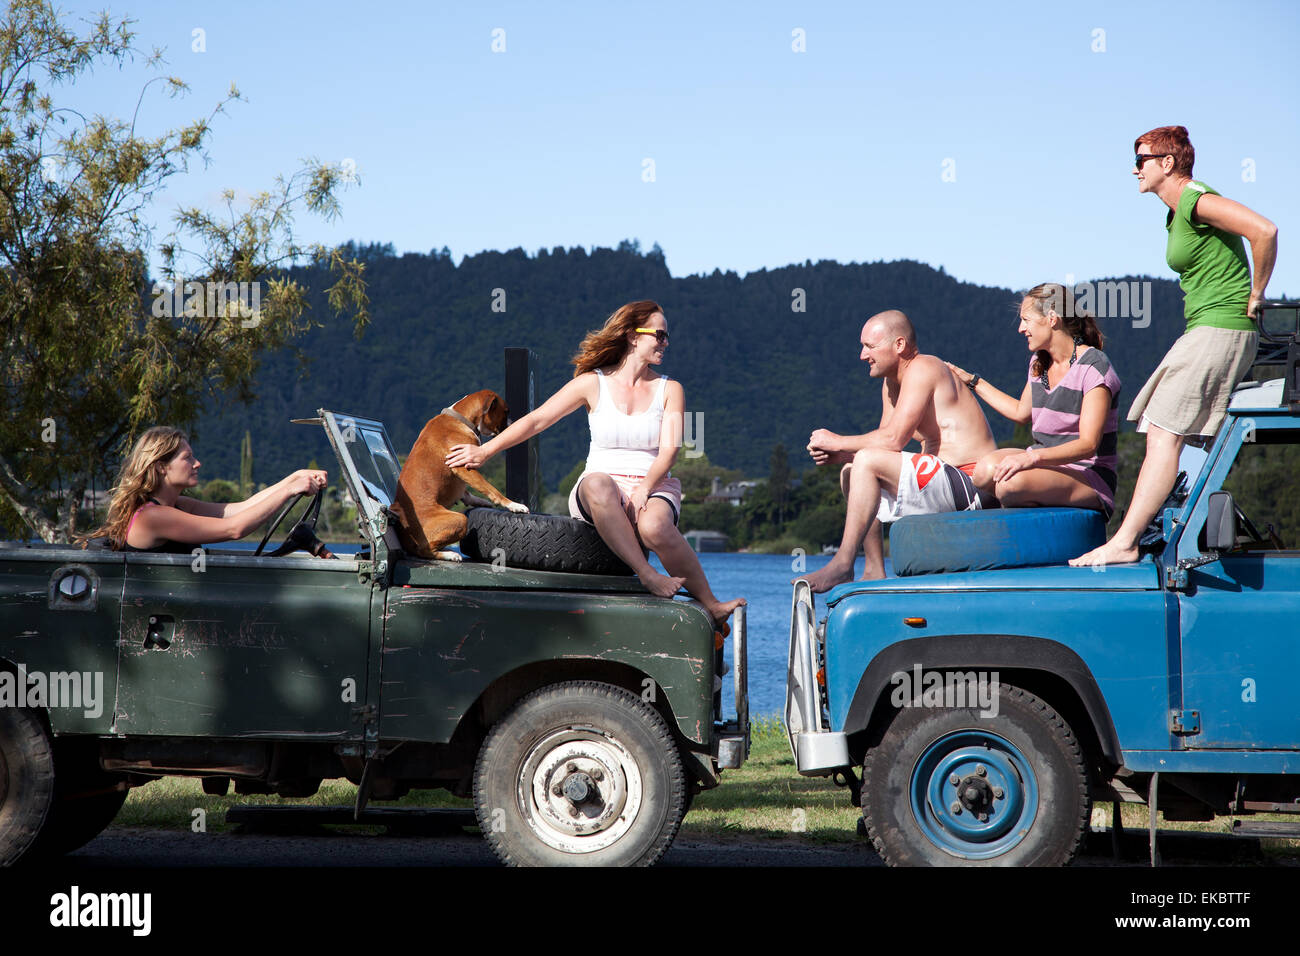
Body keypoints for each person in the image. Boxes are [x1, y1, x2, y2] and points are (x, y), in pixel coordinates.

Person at [444, 300, 745, 626]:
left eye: (667, 337)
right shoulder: (592, 383)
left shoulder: (670, 389)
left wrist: (645, 488)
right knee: (599, 484)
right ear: (633, 336)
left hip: (653, 483)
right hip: (600, 486)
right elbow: (537, 421)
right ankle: (647, 574)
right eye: (659, 335)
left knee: (654, 526)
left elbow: (670, 451)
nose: (665, 343)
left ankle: (711, 603)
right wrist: (484, 452)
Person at [1071, 126, 1278, 566]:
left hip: (1220, 327)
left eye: (1141, 159)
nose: (1135, 168)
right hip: (1207, 328)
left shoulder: (1193, 199)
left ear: (1168, 163)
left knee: (1164, 434)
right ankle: (1163, 532)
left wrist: (1256, 294)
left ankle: (1125, 542)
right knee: (1168, 434)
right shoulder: (1177, 210)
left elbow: (1264, 230)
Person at [797, 310, 998, 594]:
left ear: (899, 345)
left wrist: (837, 440)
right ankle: (873, 570)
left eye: (870, 346)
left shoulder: (924, 367)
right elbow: (882, 448)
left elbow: (892, 440)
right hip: (942, 481)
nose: (862, 355)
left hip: (973, 485)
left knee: (865, 461)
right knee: (852, 471)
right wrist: (842, 455)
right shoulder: (891, 384)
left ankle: (843, 563)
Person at [947, 283, 1122, 517]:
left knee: (1009, 485)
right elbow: (1021, 412)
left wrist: (1030, 458)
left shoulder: (1093, 366)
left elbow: (1088, 444)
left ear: (1051, 318)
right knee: (983, 472)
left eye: (1026, 320)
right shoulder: (1039, 363)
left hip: (1088, 474)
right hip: (1046, 462)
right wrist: (972, 381)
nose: (1021, 329)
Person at [85, 426, 329, 552]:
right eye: (187, 458)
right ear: (161, 467)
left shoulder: (178, 505)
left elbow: (240, 509)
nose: (197, 463)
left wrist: (294, 478)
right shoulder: (153, 516)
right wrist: (288, 491)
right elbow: (234, 529)